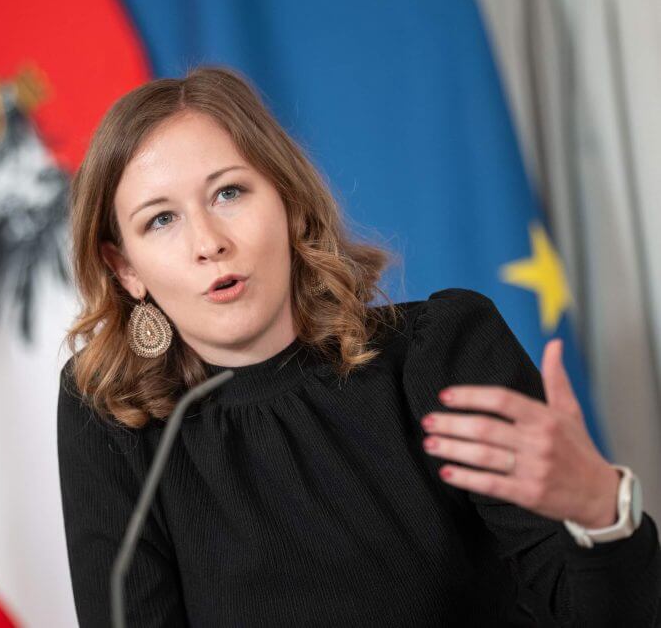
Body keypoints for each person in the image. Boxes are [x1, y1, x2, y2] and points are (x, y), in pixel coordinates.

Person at [57, 65, 660, 627]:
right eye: (161, 220)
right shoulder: (111, 416)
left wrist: (601, 513)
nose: (208, 242)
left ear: (288, 203)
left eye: (229, 193)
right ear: (125, 269)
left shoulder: (442, 353)